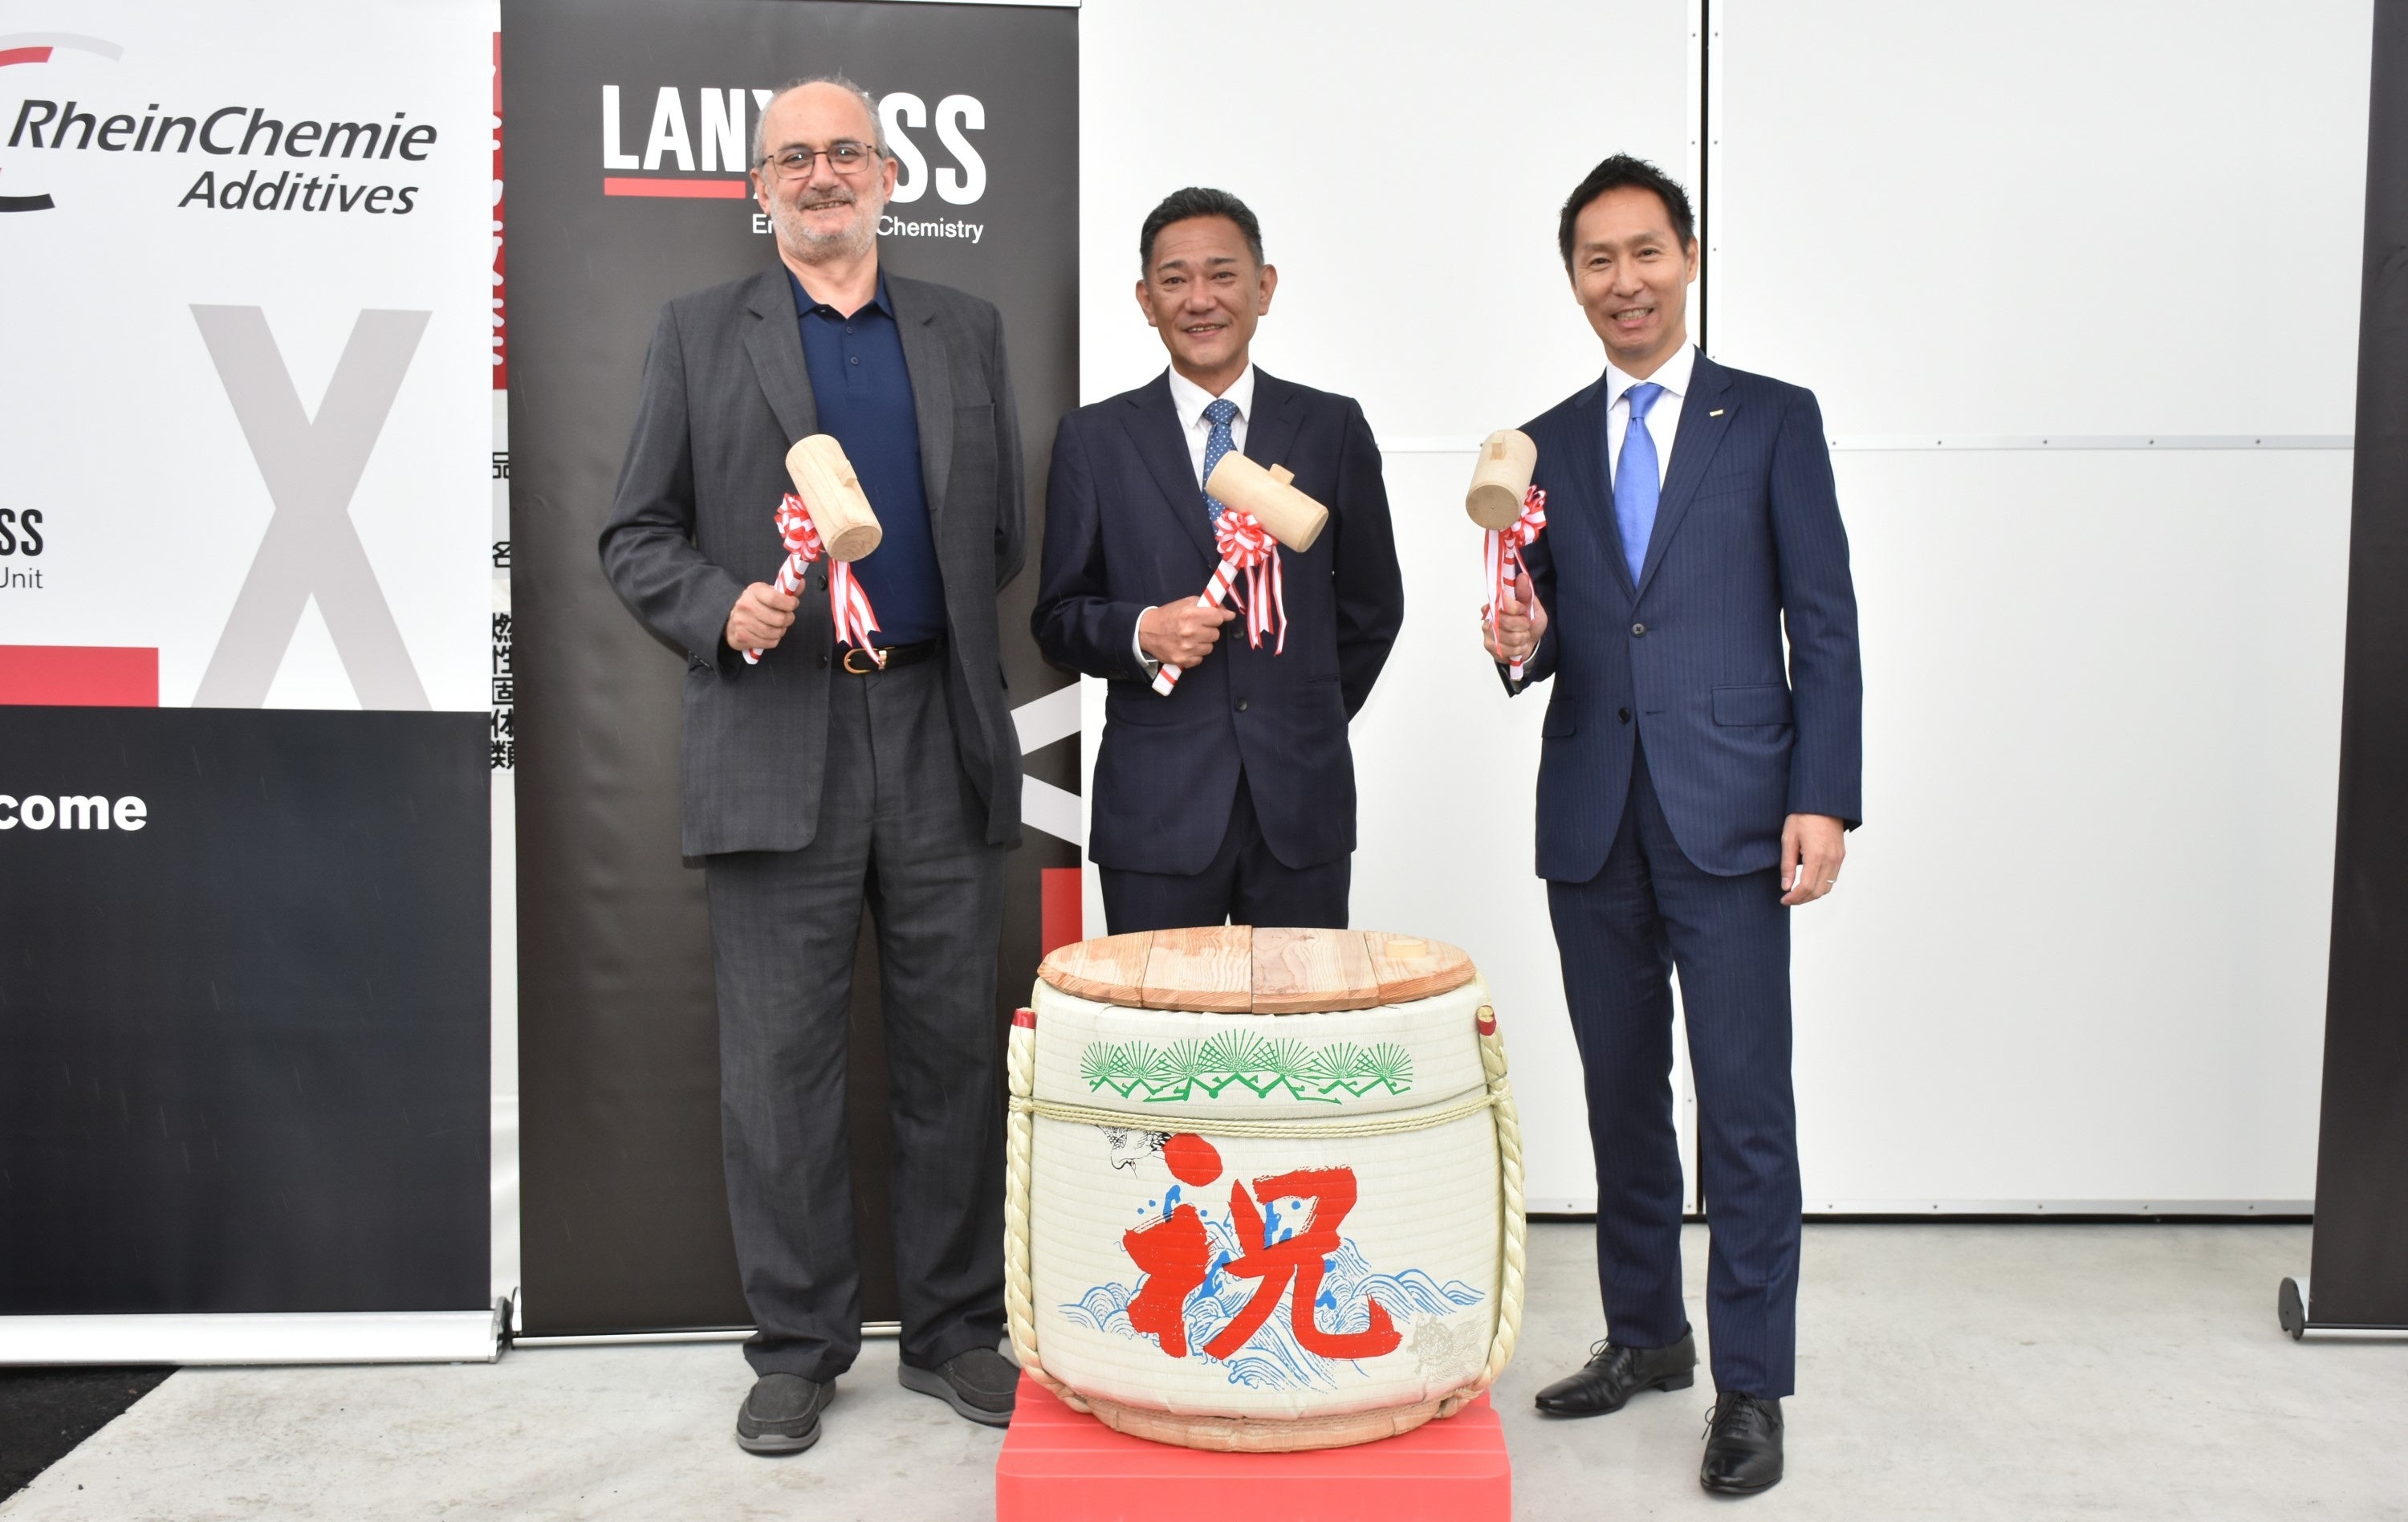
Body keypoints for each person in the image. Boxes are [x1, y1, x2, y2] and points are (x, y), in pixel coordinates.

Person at [598, 75, 1025, 1455]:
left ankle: (958, 1328)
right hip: (774, 726)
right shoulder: (694, 333)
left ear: (892, 175)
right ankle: (796, 1348)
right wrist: (723, 607)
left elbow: (995, 538)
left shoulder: (965, 330)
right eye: (796, 156)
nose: (823, 174)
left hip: (933, 725)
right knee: (777, 1070)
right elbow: (634, 534)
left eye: (846, 151)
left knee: (956, 1050)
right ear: (759, 188)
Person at [1486, 154, 1862, 1497]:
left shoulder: (1768, 420)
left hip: (1740, 817)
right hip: (1594, 818)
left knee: (1747, 1107)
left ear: (1687, 258)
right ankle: (1647, 1334)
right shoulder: (1536, 445)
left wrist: (1822, 795)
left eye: (1646, 252)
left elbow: (1821, 619)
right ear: (1573, 277)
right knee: (1621, 1095)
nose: (1624, 280)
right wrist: (1516, 642)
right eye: (1597, 259)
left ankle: (1753, 1383)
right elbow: (1537, 643)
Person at [1032, 187, 1404, 933]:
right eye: (1174, 280)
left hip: (1301, 805)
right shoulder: (1095, 439)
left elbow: (1372, 609)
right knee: (1161, 1046)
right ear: (1145, 299)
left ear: (1263, 288)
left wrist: (1305, 715)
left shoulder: (1331, 427)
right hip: (1156, 812)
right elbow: (1058, 618)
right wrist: (1144, 633)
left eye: (1222, 275)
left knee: (1295, 1045)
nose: (1199, 299)